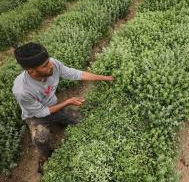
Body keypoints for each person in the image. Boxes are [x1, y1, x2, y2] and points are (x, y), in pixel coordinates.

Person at [12, 42, 113, 173]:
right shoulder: (22, 90)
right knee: (41, 138)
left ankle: (59, 124)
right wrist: (68, 102)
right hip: (36, 116)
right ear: (31, 71)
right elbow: (42, 112)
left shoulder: (53, 64)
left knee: (81, 119)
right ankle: (46, 156)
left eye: (48, 61)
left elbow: (74, 73)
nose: (51, 66)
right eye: (45, 65)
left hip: (54, 106)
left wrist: (104, 78)